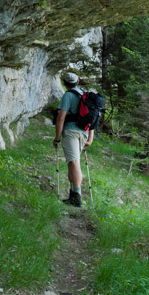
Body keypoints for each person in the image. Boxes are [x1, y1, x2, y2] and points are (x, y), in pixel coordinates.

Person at [52, 72, 94, 207]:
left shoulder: (68, 95)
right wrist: (90, 138)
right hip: (83, 133)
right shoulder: (84, 95)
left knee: (74, 162)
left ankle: (77, 197)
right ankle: (72, 195)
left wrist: (57, 137)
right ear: (77, 82)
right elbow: (91, 119)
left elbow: (61, 117)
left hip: (71, 132)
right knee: (72, 162)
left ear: (65, 83)